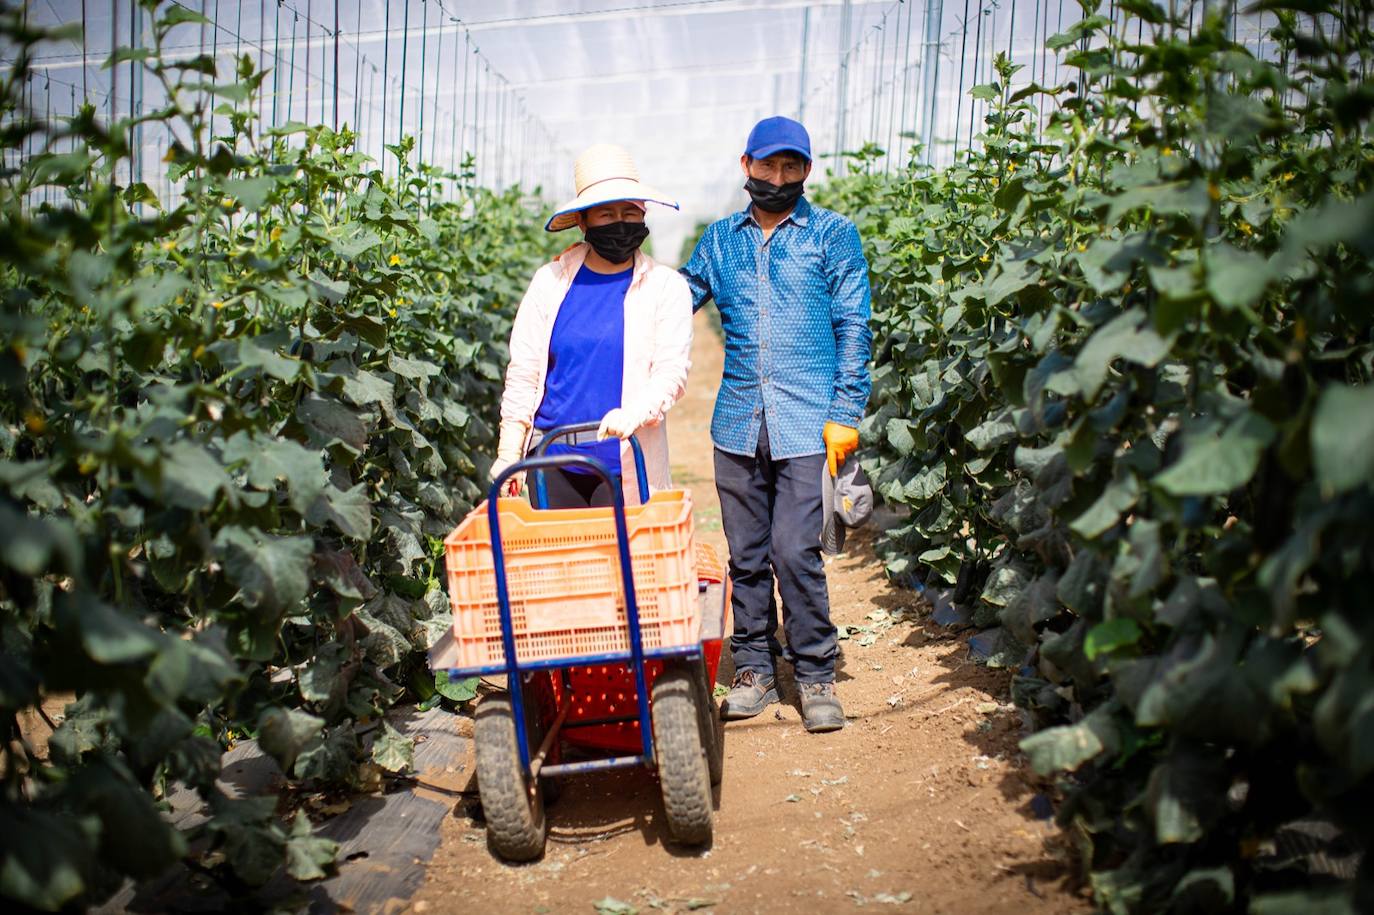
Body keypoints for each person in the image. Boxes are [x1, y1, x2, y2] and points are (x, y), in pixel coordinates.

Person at [680, 116, 873, 733]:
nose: (780, 178)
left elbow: (855, 327)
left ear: (807, 172)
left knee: (796, 552)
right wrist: (610, 279)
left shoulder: (833, 236)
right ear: (747, 166)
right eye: (769, 166)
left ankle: (816, 672)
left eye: (793, 167)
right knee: (747, 556)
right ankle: (755, 669)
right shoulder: (720, 241)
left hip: (809, 424)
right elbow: (678, 297)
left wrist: (846, 413)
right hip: (738, 421)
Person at [490, 144, 693, 509]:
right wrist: (509, 452)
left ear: (643, 214)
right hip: (550, 459)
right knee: (561, 562)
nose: (620, 222)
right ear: (583, 221)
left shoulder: (666, 287)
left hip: (626, 459)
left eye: (630, 211)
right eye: (605, 213)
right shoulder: (550, 283)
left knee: (627, 563)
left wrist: (634, 412)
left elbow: (670, 373)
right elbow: (523, 373)